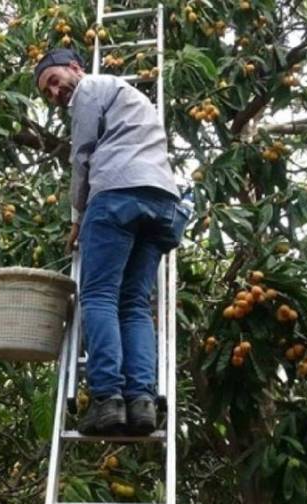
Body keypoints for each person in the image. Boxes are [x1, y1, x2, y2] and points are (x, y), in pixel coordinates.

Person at [34, 49, 185, 436]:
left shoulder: (90, 89)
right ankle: (141, 401)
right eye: (47, 92)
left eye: (53, 81)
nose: (54, 93)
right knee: (134, 303)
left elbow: (82, 156)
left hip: (117, 197)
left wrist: (76, 217)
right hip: (162, 203)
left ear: (74, 68)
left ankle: (106, 399)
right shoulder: (131, 96)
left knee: (98, 296)